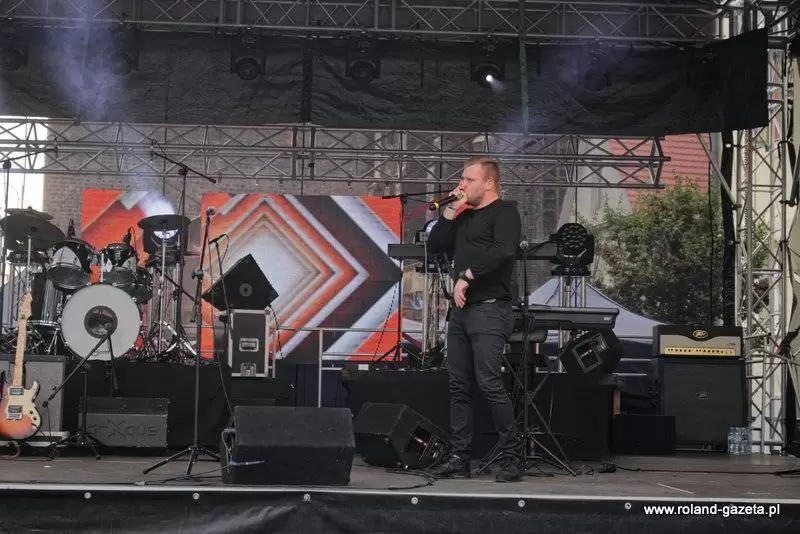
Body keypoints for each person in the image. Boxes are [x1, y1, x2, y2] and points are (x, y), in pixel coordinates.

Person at [426, 156, 524, 483]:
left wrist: (467, 275)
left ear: (489, 182)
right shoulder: (465, 216)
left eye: (469, 179)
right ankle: (459, 458)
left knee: (489, 382)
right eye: (462, 179)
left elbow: (504, 250)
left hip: (490, 310)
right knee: (458, 386)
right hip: (461, 313)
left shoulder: (505, 212)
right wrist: (451, 210)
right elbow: (435, 245)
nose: (462, 184)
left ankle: (511, 456)